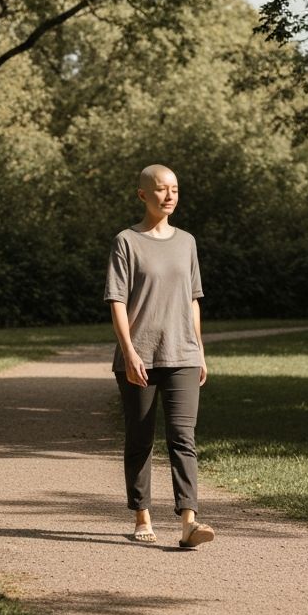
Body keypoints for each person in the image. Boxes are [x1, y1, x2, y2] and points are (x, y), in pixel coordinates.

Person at [104, 164, 215, 549]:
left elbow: (193, 300)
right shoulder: (126, 242)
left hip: (182, 354)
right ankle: (141, 515)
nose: (169, 196)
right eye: (161, 189)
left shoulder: (187, 242)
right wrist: (130, 350)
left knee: (184, 437)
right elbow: (117, 301)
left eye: (175, 189)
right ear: (142, 195)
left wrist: (199, 350)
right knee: (140, 438)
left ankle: (189, 522)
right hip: (140, 357)